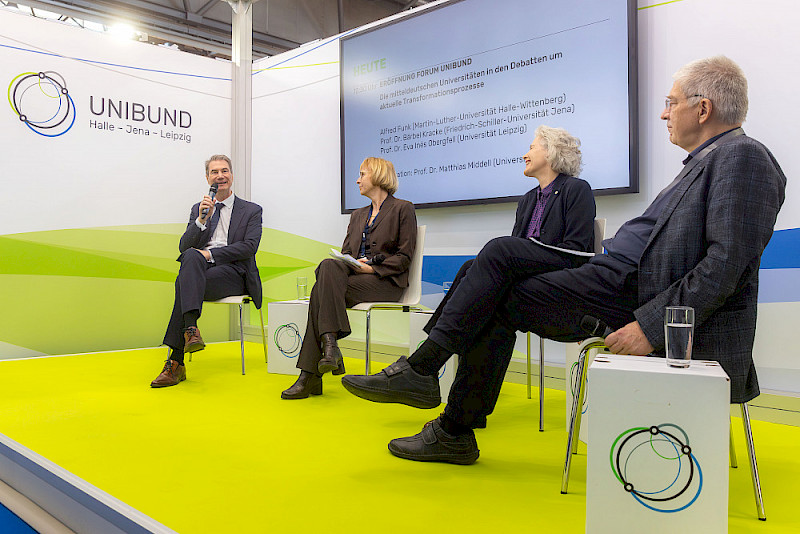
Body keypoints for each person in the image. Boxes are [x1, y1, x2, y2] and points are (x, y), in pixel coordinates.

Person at [342, 56, 786, 465]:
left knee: (497, 264)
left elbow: (726, 263)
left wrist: (651, 327)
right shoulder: (703, 162)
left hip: (636, 296)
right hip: (616, 280)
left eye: (670, 103)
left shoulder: (743, 157)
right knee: (493, 290)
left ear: (703, 109)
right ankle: (448, 420)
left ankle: (429, 385)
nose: (665, 113)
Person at [421, 125, 596, 427]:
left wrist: (524, 252)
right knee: (470, 274)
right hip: (529, 280)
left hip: (563, 278)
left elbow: (577, 250)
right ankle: (461, 417)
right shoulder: (528, 199)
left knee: (499, 250)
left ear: (551, 152)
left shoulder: (576, 189)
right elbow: (516, 255)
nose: (525, 154)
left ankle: (427, 362)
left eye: (532, 147)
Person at [281, 157, 417, 399]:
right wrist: (351, 262)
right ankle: (330, 346)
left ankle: (312, 371)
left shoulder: (402, 208)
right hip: (355, 279)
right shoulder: (357, 215)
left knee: (319, 292)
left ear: (377, 175)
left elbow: (404, 257)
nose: (357, 180)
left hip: (385, 282)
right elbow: (346, 254)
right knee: (328, 266)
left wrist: (372, 268)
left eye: (362, 174)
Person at [151, 155, 263, 388]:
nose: (220, 176)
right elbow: (184, 246)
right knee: (190, 256)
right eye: (214, 172)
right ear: (207, 178)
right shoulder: (199, 209)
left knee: (185, 278)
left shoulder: (251, 210)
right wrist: (202, 220)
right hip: (202, 272)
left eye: (224, 171)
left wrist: (210, 254)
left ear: (232, 175)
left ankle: (176, 362)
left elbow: (249, 247)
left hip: (234, 273)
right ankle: (190, 331)